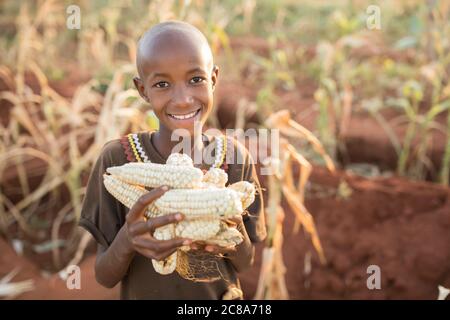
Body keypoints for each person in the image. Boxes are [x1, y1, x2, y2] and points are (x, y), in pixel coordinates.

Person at [79, 20, 266, 299]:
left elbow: (246, 262)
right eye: (162, 84)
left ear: (213, 79)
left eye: (196, 80)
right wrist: (127, 240)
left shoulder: (236, 158)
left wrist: (229, 222)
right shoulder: (116, 161)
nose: (182, 99)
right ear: (143, 90)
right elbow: (104, 276)